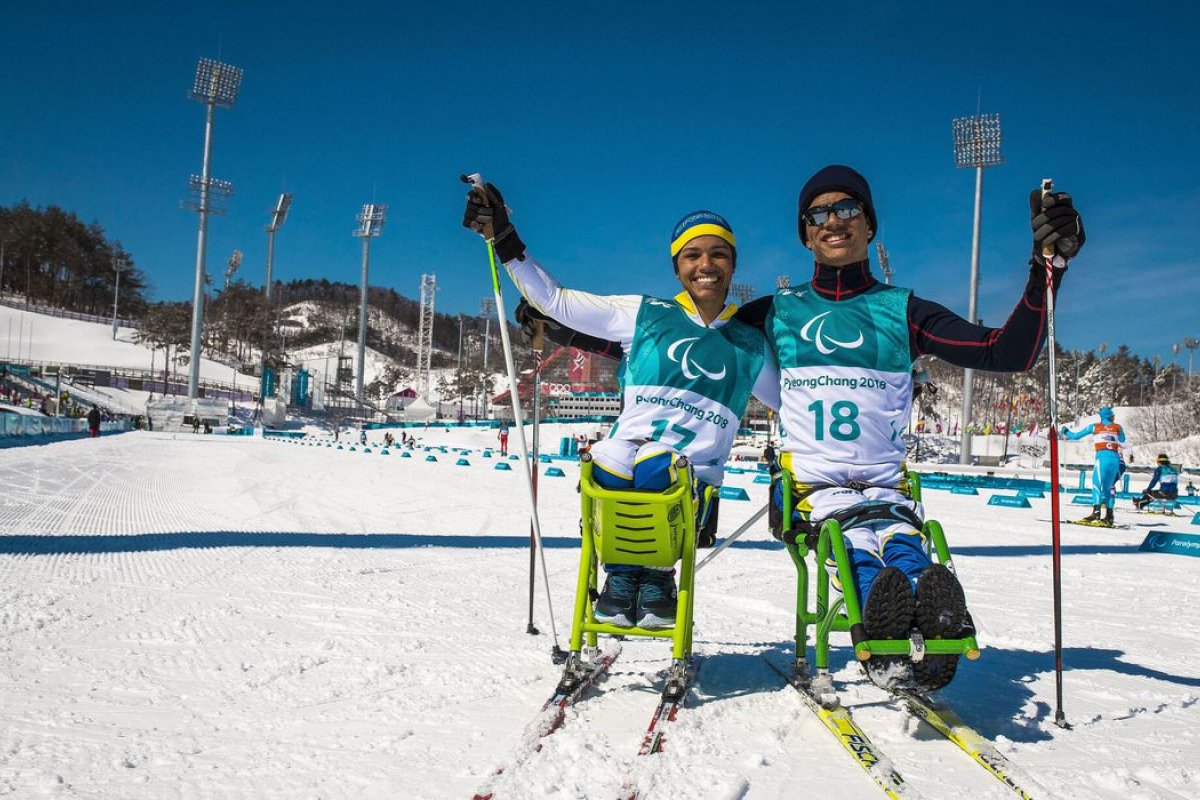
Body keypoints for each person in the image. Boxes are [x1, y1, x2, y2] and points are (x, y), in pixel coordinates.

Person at [735, 165, 1084, 690]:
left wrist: (1046, 269)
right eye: (818, 214)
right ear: (805, 233)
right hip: (814, 489)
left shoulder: (903, 311)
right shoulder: (775, 312)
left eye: (847, 209)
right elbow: (694, 339)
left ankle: (927, 616)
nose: (833, 221)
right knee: (853, 550)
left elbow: (1006, 352)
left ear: (869, 224)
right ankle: (887, 632)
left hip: (886, 487)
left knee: (903, 543)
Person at [463, 182, 779, 630]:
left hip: (691, 491)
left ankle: (655, 578)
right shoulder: (644, 314)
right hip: (624, 473)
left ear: (732, 265)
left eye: (718, 254)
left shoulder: (750, 345)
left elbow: (796, 402)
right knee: (609, 457)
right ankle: (623, 578)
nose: (705, 265)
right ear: (677, 268)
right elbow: (555, 300)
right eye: (692, 255)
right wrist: (504, 238)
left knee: (657, 462)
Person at [1061, 406, 1125, 526]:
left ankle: (1096, 513)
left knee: (1096, 485)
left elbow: (1075, 436)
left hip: (1102, 459)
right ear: (1110, 416)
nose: (1114, 417)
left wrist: (1065, 431)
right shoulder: (1118, 427)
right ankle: (1109, 516)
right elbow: (1122, 439)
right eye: (1113, 415)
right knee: (1108, 488)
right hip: (1115, 459)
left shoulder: (1094, 426)